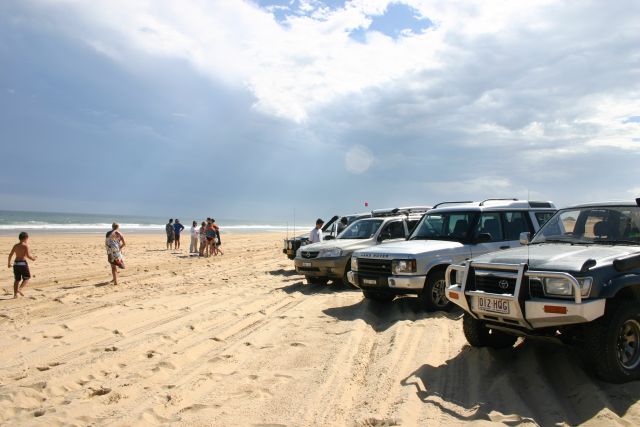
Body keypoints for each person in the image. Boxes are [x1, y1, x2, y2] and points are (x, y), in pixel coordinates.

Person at [7, 232, 37, 298]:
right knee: (27, 277)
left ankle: (15, 295)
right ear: (25, 238)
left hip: (16, 264)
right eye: (27, 238)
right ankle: (19, 289)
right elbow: (28, 256)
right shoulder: (25, 245)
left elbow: (10, 254)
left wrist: (9, 263)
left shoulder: (15, 245)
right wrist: (33, 258)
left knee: (17, 280)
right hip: (22, 263)